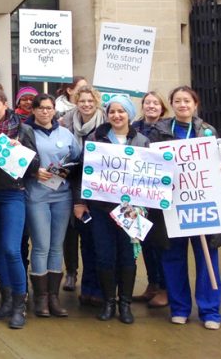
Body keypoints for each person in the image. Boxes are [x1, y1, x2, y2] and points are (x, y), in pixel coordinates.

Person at [147, 86, 221, 330]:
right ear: (172, 104)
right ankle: (179, 308)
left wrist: (220, 169)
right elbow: (150, 163)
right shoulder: (158, 131)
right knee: (173, 257)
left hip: (201, 202)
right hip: (172, 205)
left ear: (195, 104)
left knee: (207, 256)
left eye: (187, 101)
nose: (182, 105)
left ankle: (210, 311)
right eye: (177, 101)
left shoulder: (207, 130)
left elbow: (218, 160)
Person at [74, 95, 146, 324]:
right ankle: (108, 302)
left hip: (131, 210)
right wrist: (80, 201)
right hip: (101, 208)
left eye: (121, 111)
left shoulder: (142, 141)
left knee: (127, 257)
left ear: (129, 115)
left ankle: (125, 304)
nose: (116, 115)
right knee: (104, 256)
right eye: (112, 111)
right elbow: (82, 172)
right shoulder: (95, 138)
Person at [0, 87, 39, 329]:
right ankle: (5, 299)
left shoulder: (23, 129)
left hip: (12, 193)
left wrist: (19, 150)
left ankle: (19, 304)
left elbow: (35, 164)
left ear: (5, 104)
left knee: (12, 249)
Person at [24, 94, 81, 318]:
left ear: (54, 110)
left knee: (57, 246)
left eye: (49, 108)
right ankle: (41, 298)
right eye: (40, 108)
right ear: (34, 110)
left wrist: (69, 168)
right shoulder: (26, 133)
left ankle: (53, 297)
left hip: (62, 196)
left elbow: (78, 159)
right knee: (41, 245)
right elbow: (18, 161)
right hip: (37, 195)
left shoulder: (65, 134)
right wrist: (33, 171)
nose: (45, 112)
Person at [60, 85, 105, 302]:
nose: (86, 104)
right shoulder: (66, 122)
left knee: (92, 240)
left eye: (90, 101)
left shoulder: (106, 124)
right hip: (70, 183)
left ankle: (94, 286)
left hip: (97, 191)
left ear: (96, 102)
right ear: (76, 102)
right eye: (82, 101)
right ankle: (71, 272)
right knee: (70, 232)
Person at [131, 91, 170, 308]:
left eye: (156, 103)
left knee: (161, 243)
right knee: (145, 241)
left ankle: (165, 287)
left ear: (162, 107)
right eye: (147, 102)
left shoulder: (168, 129)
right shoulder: (135, 127)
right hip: (139, 193)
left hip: (159, 193)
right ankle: (152, 284)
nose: (151, 106)